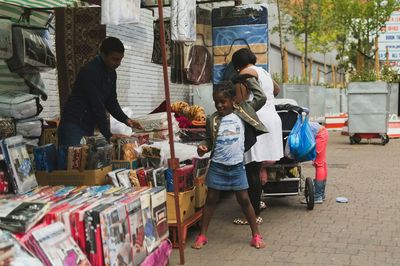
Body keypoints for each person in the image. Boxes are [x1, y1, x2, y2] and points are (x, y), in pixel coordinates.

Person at [191, 76, 268, 250]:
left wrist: (248, 80)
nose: (219, 105)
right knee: (210, 200)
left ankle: (256, 234)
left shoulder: (244, 111)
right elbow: (209, 141)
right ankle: (202, 235)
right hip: (217, 166)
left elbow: (261, 98)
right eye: (216, 102)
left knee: (244, 199)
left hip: (236, 166)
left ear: (233, 100)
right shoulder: (213, 119)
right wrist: (202, 147)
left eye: (223, 101)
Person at [231, 48, 283, 225]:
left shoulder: (244, 73)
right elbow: (277, 90)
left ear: (237, 65)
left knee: (252, 168)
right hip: (272, 119)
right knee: (257, 165)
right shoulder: (263, 71)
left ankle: (253, 214)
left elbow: (239, 100)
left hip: (257, 121)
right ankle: (256, 203)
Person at [58, 37, 141, 146]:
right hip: (73, 123)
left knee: (85, 160)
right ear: (103, 55)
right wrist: (108, 135)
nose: (118, 63)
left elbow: (111, 101)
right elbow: (96, 104)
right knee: (72, 160)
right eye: (114, 59)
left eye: (120, 59)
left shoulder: (112, 74)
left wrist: (125, 119)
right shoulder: (90, 71)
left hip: (88, 124)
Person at [301, 122, 329, 204]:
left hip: (320, 135)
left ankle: (317, 196)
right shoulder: (298, 121)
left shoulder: (295, 126)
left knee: (319, 164)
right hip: (323, 133)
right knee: (322, 163)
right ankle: (321, 195)